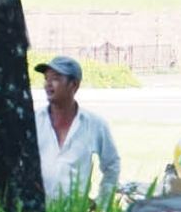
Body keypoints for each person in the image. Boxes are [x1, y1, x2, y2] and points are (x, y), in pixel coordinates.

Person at [36, 55, 121, 203]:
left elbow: (112, 165)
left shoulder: (95, 125)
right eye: (46, 79)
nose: (48, 84)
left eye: (55, 78)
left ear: (73, 85)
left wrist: (101, 202)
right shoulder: (34, 121)